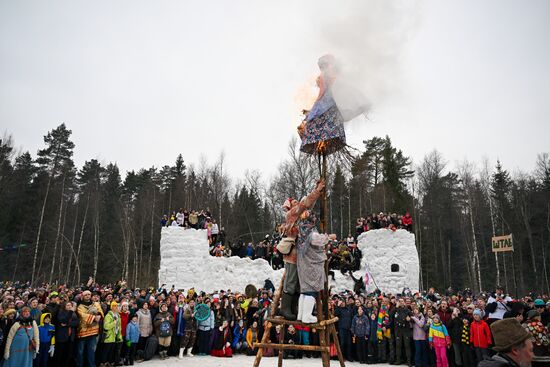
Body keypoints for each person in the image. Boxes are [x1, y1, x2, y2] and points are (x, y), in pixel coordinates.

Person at [279, 179, 325, 320]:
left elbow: (307, 204)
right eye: (294, 203)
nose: (297, 204)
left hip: (301, 256)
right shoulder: (292, 214)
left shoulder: (299, 216)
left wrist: (316, 190)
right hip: (293, 255)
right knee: (291, 281)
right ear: (289, 207)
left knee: (300, 282)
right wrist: (317, 190)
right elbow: (306, 203)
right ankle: (286, 308)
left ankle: (296, 309)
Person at [76, 290, 104, 367]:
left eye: (89, 294)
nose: (88, 296)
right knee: (80, 352)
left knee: (91, 351)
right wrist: (94, 317)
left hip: (94, 331)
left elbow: (100, 312)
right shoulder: (79, 307)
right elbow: (82, 316)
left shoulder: (95, 304)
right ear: (83, 296)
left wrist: (99, 315)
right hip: (83, 332)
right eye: (86, 295)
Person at [54, 301, 80, 367]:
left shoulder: (74, 314)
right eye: (67, 305)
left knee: (68, 354)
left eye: (70, 305)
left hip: (70, 337)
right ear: (64, 306)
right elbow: (63, 320)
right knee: (60, 354)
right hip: (62, 337)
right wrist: (70, 312)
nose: (69, 307)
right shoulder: (61, 312)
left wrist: (67, 324)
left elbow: (77, 322)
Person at [101, 301, 122, 366]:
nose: (117, 307)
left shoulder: (118, 315)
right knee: (106, 351)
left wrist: (119, 336)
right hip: (108, 336)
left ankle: (108, 363)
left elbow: (119, 327)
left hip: (115, 336)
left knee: (111, 351)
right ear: (112, 307)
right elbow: (106, 326)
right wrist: (114, 323)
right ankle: (103, 363)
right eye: (115, 306)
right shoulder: (108, 316)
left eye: (117, 306)